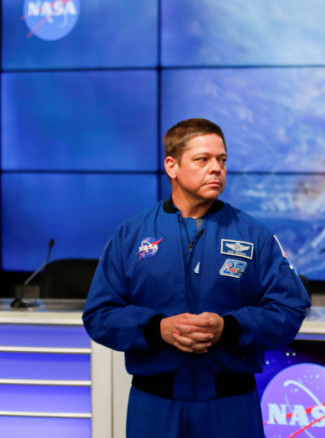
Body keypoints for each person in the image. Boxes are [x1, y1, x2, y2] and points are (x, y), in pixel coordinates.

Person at [83, 118, 311, 438]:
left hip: (230, 405)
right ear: (172, 166)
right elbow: (99, 314)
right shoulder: (131, 236)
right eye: (203, 160)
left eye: (222, 160)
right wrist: (155, 329)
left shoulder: (254, 235)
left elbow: (289, 311)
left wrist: (228, 328)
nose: (216, 168)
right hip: (154, 405)